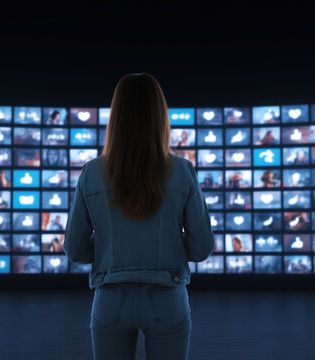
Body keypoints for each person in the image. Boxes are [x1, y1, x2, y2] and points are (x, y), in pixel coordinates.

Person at [64, 73, 213, 360]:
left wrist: (111, 246)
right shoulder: (183, 170)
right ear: (160, 115)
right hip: (168, 300)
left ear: (116, 116)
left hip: (110, 301)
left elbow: (75, 250)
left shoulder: (91, 172)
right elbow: (201, 248)